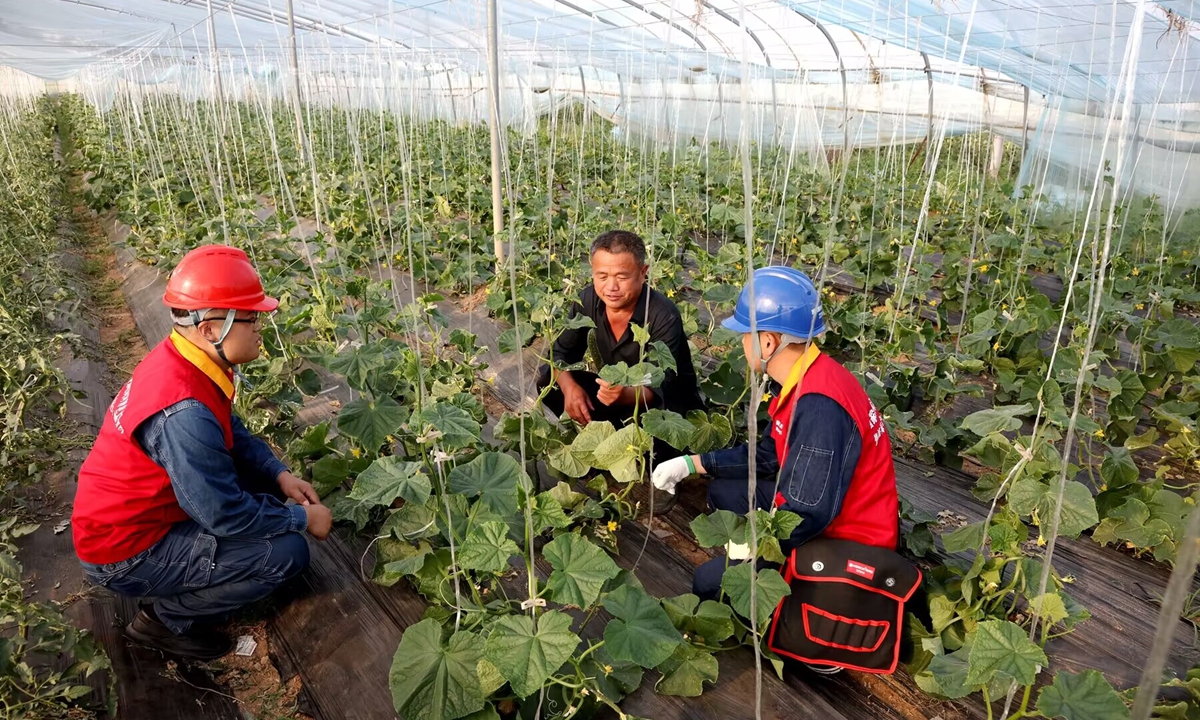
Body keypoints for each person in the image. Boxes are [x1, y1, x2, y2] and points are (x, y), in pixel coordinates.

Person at [72, 245, 333, 660]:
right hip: (124, 553)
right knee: (286, 553)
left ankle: (195, 569)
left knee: (259, 484)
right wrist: (301, 518)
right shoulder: (184, 413)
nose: (260, 327)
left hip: (132, 521)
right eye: (252, 318)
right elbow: (224, 515)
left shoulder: (184, 360)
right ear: (212, 328)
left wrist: (278, 472)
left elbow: (229, 426)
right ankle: (163, 619)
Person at [650, 266, 899, 603]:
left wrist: (756, 546)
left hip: (849, 542)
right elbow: (768, 456)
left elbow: (809, 513)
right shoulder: (811, 376)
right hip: (831, 512)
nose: (741, 344)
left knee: (709, 583)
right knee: (725, 494)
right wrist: (693, 464)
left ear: (768, 341)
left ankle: (783, 598)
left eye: (745, 335)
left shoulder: (818, 406)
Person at [537, 230, 704, 431]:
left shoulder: (664, 315)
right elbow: (559, 355)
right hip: (612, 393)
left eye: (622, 277)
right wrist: (570, 389)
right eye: (602, 276)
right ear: (593, 271)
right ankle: (600, 437)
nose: (611, 287)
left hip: (662, 408)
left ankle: (618, 443)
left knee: (655, 445)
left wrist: (623, 394)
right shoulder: (587, 300)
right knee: (550, 382)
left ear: (643, 272)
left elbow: (660, 386)